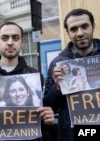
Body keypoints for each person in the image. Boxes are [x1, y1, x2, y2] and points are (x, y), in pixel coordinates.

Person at [0, 22, 54, 141]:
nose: (10, 42)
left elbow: (42, 108)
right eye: (5, 38)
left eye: (15, 38)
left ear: (22, 42)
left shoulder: (35, 75)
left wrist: (46, 115)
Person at [43, 8, 100, 141]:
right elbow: (48, 106)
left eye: (84, 26)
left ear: (93, 26)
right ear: (68, 33)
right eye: (74, 29)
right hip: (72, 134)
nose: (80, 33)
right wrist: (57, 88)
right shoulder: (58, 63)